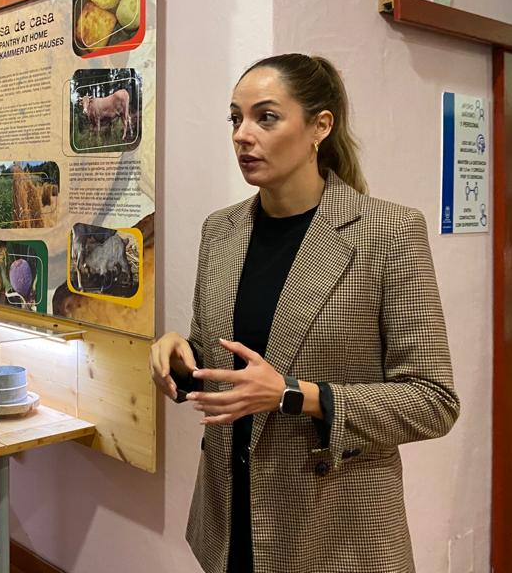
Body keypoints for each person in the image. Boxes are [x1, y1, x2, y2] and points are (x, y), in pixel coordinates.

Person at [150, 54, 459, 573]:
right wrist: (181, 354)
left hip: (334, 527)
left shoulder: (387, 233)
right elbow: (229, 358)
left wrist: (296, 395)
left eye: (265, 117)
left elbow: (434, 401)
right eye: (235, 118)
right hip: (232, 517)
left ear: (320, 126)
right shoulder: (221, 231)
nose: (243, 136)